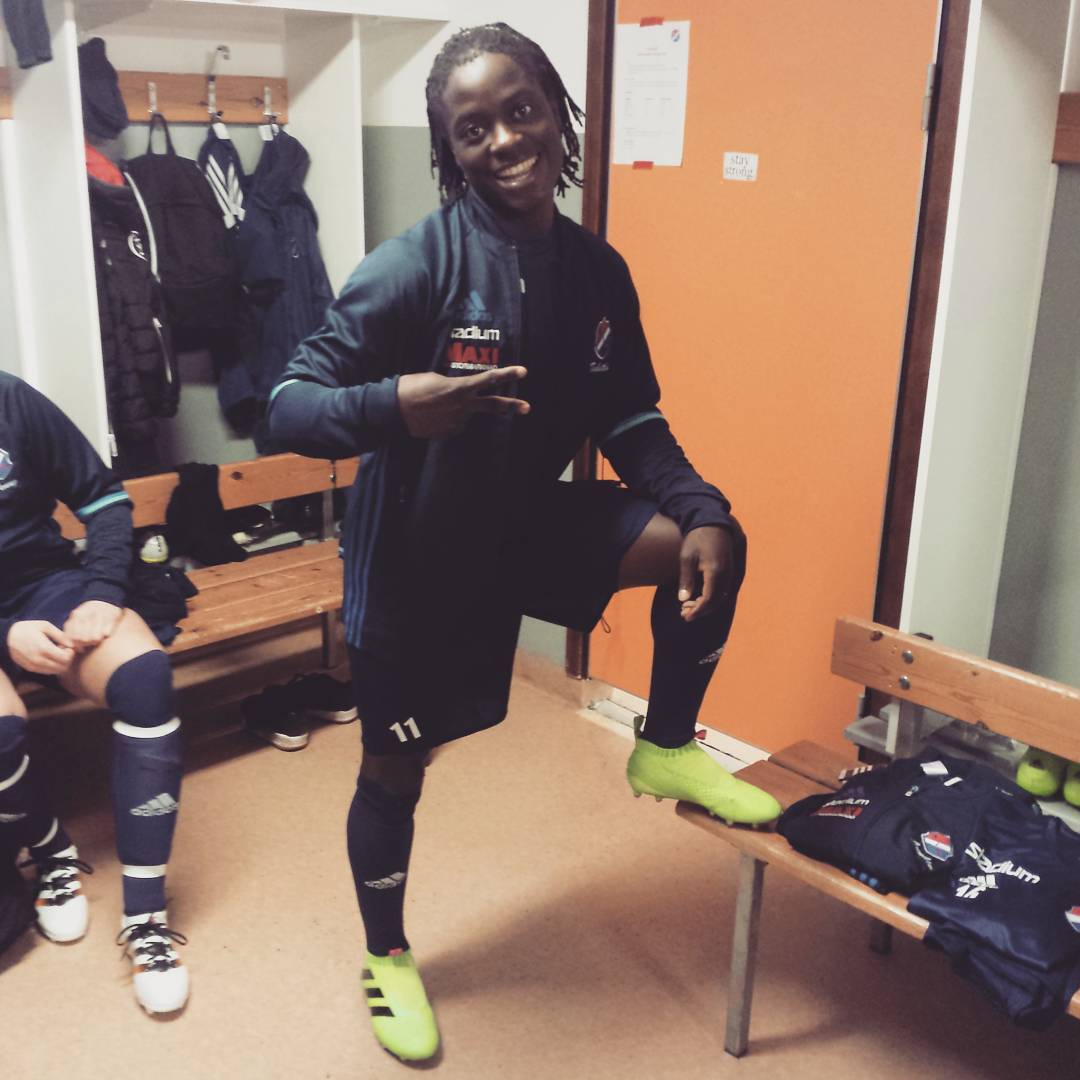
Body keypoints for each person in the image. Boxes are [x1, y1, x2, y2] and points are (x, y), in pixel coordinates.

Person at [268, 23, 781, 1062]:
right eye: (474, 129)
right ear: (449, 150)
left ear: (555, 109)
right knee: (395, 771)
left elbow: (628, 415)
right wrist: (395, 405)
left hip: (524, 526)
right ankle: (387, 953)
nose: (504, 140)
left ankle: (666, 746)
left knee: (705, 538)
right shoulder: (415, 266)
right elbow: (287, 404)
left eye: (520, 111)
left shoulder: (596, 269)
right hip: (412, 561)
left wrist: (701, 501)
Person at [0, 371, 188, 1015]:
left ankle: (145, 916)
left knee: (144, 676)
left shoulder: (9, 398)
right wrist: (6, 637)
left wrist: (104, 592)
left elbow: (103, 498)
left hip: (44, 587)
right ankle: (52, 850)